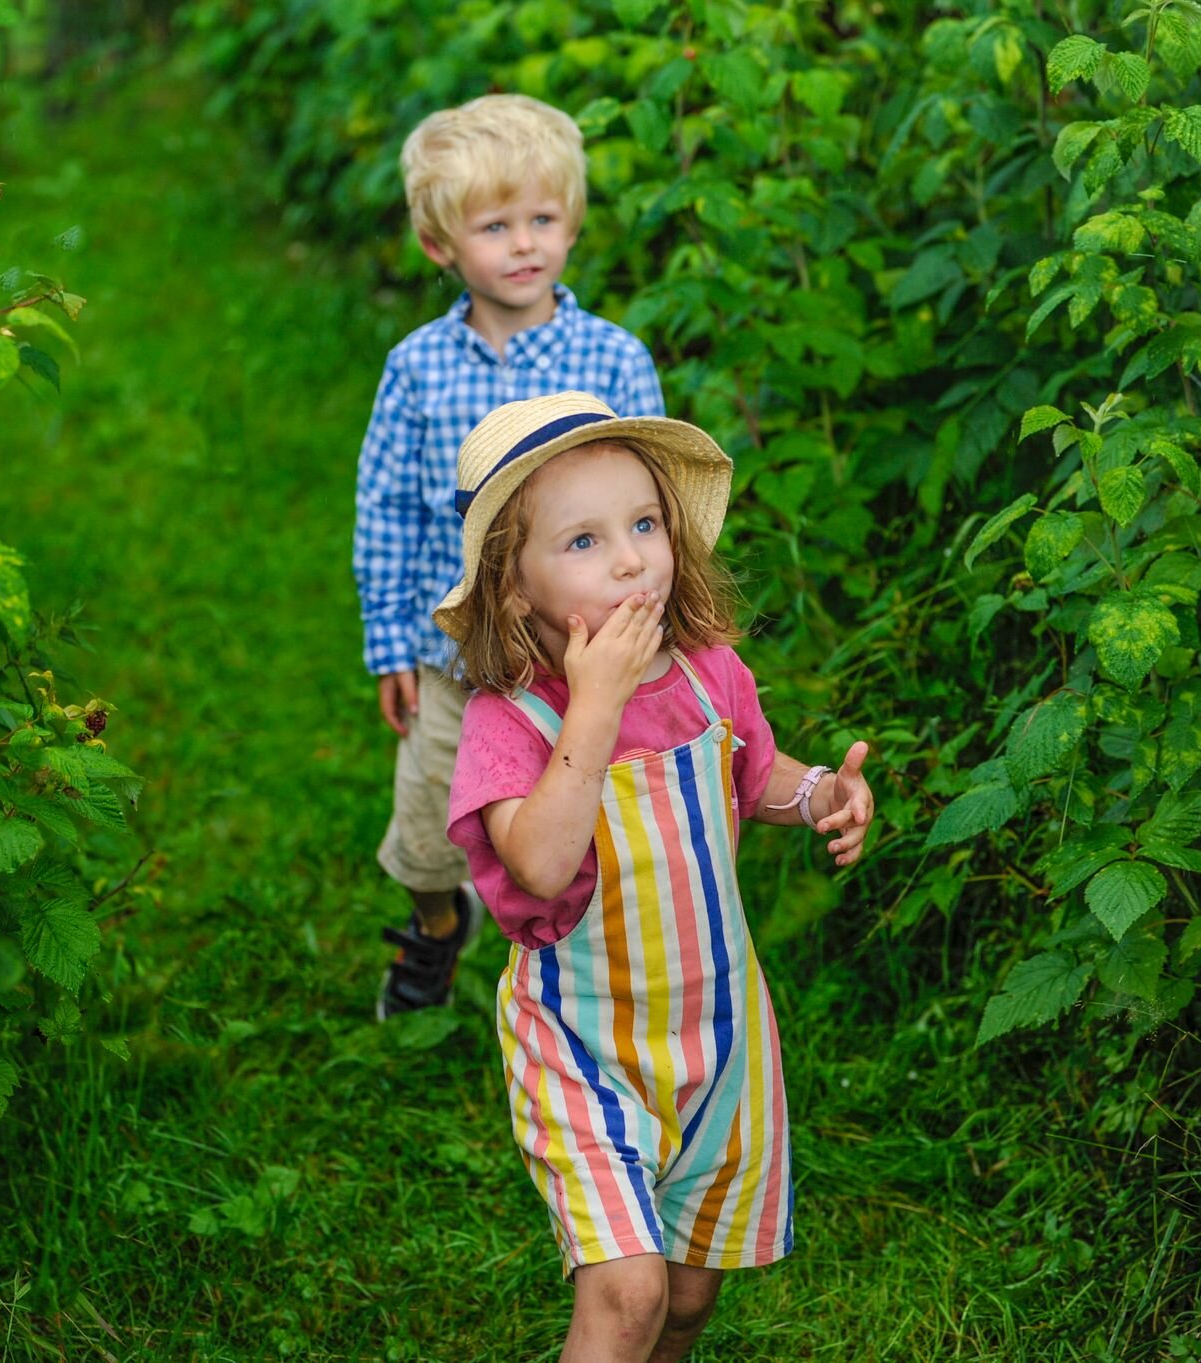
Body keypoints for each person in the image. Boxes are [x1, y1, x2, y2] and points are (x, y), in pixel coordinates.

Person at [437, 392, 878, 1362]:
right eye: (584, 541)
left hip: (721, 1038)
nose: (631, 558)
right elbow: (541, 861)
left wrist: (818, 794)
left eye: (643, 524)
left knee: (683, 1297)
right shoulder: (512, 723)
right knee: (627, 1293)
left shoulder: (708, 674)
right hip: (583, 1045)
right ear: (515, 589)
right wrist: (594, 704)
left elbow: (753, 773)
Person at [357, 93, 667, 1019]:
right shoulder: (418, 369)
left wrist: (661, 623)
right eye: (495, 227)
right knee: (426, 834)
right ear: (440, 245)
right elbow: (387, 509)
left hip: (583, 658)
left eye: (543, 219)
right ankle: (437, 923)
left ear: (572, 223)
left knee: (582, 824)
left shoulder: (613, 361)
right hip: (456, 659)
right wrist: (390, 642)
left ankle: (586, 972)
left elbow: (654, 510)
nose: (525, 244)